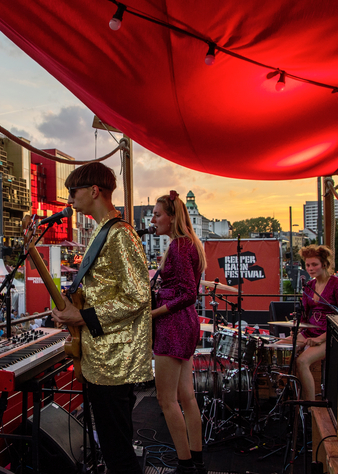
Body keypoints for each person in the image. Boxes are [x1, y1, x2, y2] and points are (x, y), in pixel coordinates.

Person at [51, 162, 152, 474]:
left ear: (94, 191)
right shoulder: (102, 232)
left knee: (117, 451)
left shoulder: (120, 235)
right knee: (111, 446)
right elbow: (105, 289)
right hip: (102, 355)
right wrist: (73, 306)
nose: (69, 198)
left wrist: (82, 316)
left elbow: (138, 296)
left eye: (73, 191)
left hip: (113, 360)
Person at [149, 190, 209, 474]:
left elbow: (187, 294)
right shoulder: (189, 244)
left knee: (166, 399)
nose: (153, 219)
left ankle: (184, 465)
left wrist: (153, 313)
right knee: (187, 395)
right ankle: (196, 461)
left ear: (172, 217)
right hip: (185, 323)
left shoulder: (178, 247)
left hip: (173, 324)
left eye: (157, 214)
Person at [287, 244, 338, 401]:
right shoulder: (309, 286)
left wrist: (320, 339)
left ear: (324, 264)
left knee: (302, 361)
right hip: (311, 331)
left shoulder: (337, 284)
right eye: (308, 265)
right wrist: (297, 331)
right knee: (280, 346)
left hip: (331, 335)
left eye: (314, 264)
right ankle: (289, 397)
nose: (310, 268)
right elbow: (305, 315)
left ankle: (311, 405)